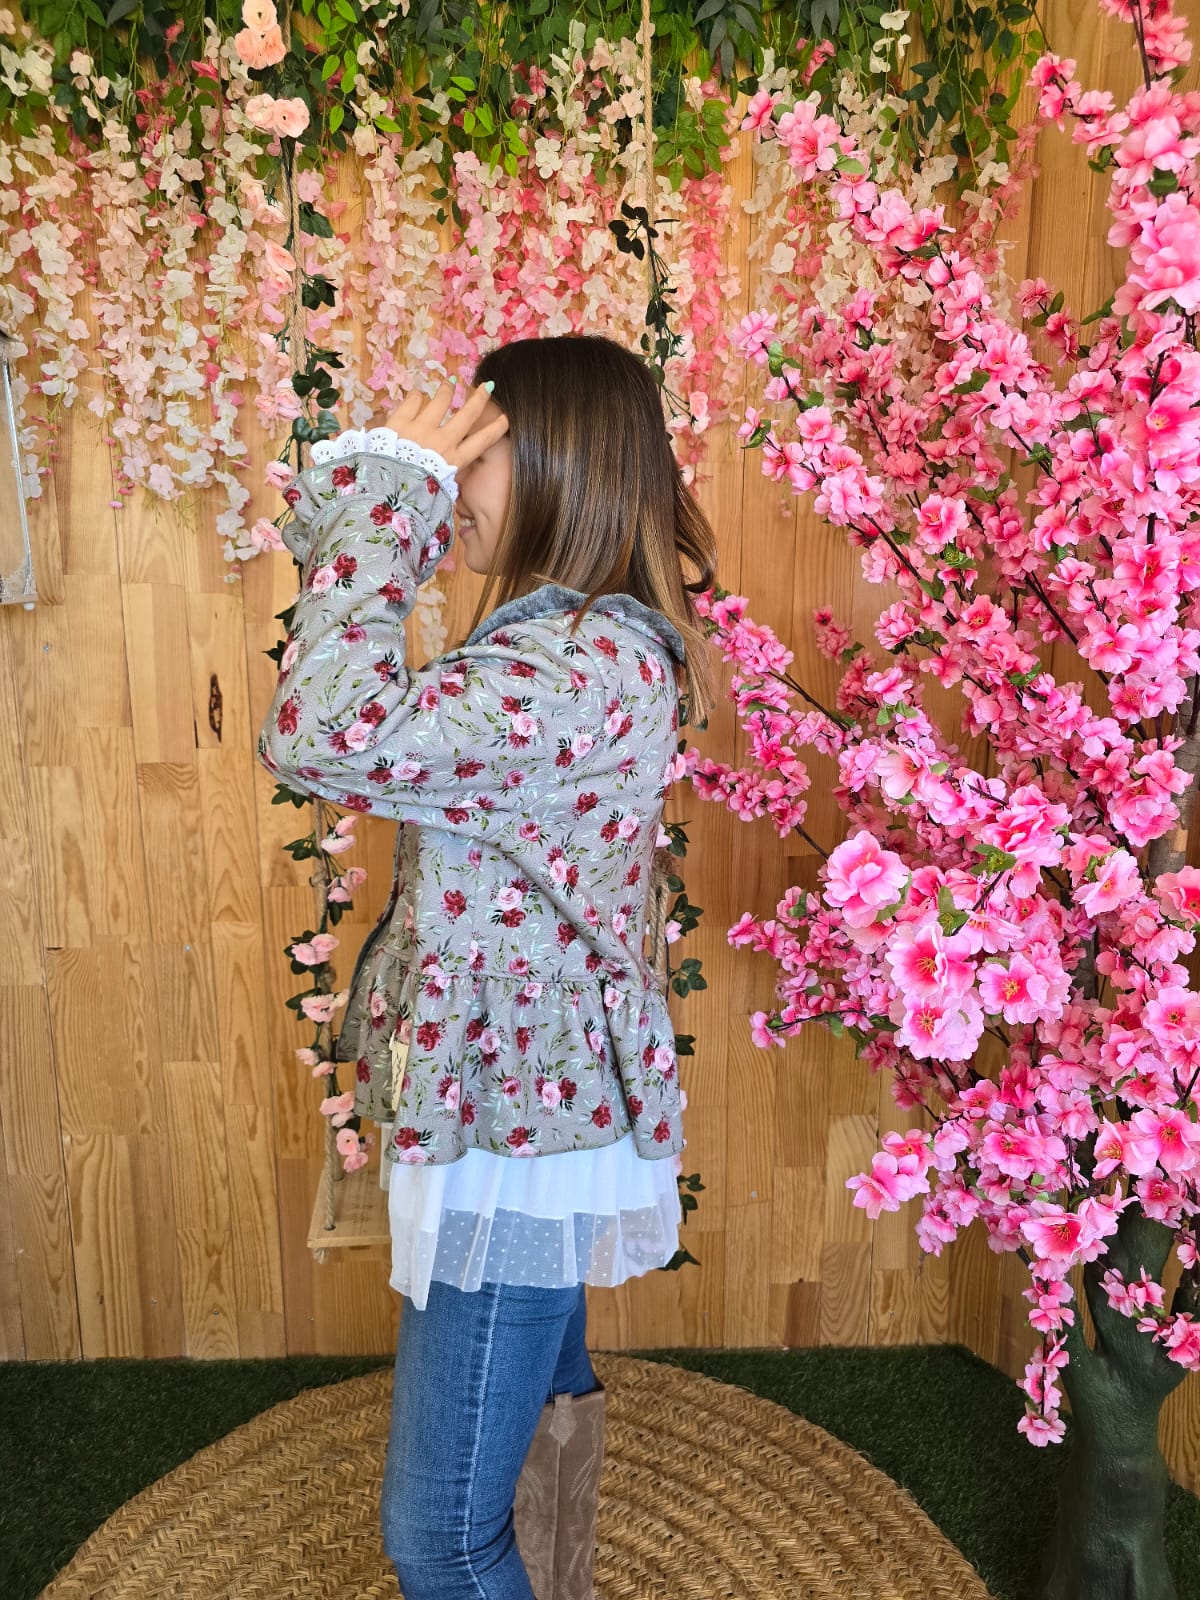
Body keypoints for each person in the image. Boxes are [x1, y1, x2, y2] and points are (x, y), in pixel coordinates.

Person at [256, 334, 718, 1599]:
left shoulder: (569, 663)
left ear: (563, 460)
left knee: (442, 1539)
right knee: (540, 1410)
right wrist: (391, 495)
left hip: (512, 1134)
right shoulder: (581, 645)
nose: (453, 475)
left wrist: (388, 494)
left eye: (476, 447)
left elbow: (316, 731)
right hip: (525, 1107)